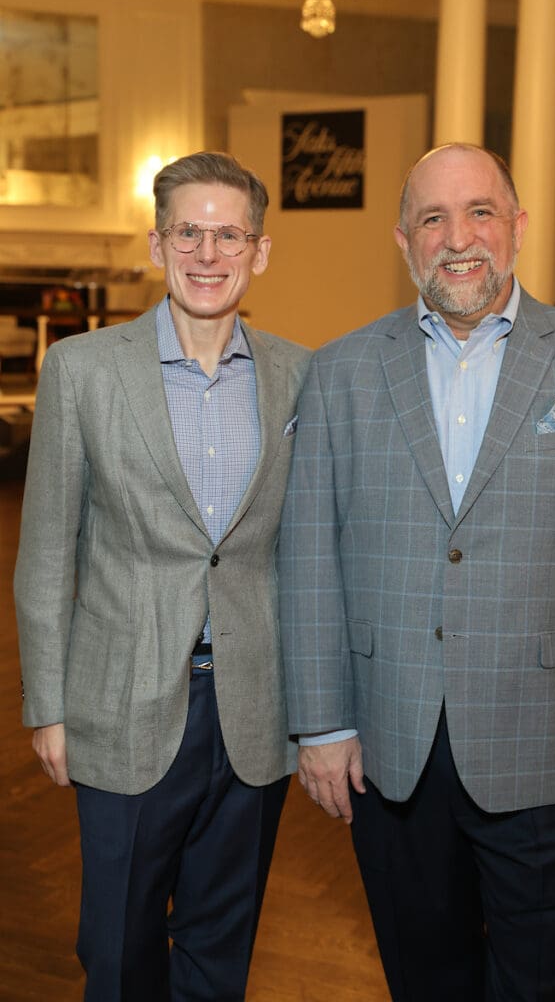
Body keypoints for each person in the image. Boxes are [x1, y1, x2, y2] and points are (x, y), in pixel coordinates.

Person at [278, 143, 555, 1001]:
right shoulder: (339, 371)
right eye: (432, 217)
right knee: (422, 978)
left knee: (540, 981)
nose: (457, 238)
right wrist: (318, 724)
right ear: (402, 240)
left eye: (479, 212)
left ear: (518, 227)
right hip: (388, 749)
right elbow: (308, 556)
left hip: (552, 747)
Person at [14, 151, 310, 1002]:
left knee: (223, 943)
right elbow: (45, 557)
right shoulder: (83, 370)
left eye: (228, 234)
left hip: (255, 709)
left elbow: (303, 553)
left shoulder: (300, 375)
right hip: (121, 704)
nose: (207, 253)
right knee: (116, 947)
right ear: (157, 243)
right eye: (188, 231)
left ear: (259, 251)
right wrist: (50, 707)